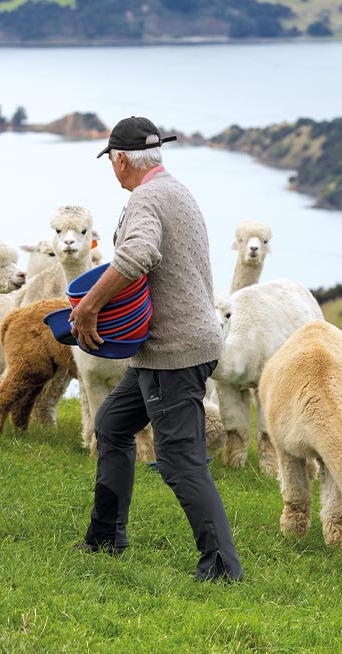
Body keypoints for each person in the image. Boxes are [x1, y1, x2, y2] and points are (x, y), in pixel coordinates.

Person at [70, 115, 243, 582]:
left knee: (179, 458)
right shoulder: (175, 189)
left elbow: (137, 254)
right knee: (112, 424)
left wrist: (88, 308)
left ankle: (222, 567)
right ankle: (106, 537)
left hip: (175, 350)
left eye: (112, 161)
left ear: (121, 160)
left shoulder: (146, 198)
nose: (113, 168)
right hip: (174, 343)